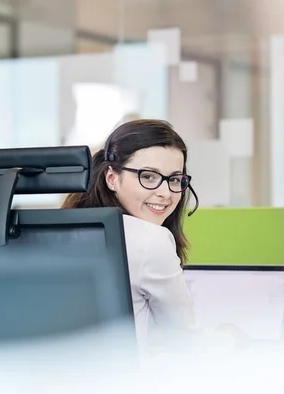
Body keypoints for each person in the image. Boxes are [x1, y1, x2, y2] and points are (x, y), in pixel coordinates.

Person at [62, 119, 198, 353]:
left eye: (175, 179)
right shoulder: (150, 240)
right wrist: (230, 339)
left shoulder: (62, 231)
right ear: (111, 177)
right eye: (148, 176)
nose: (165, 193)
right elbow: (187, 342)